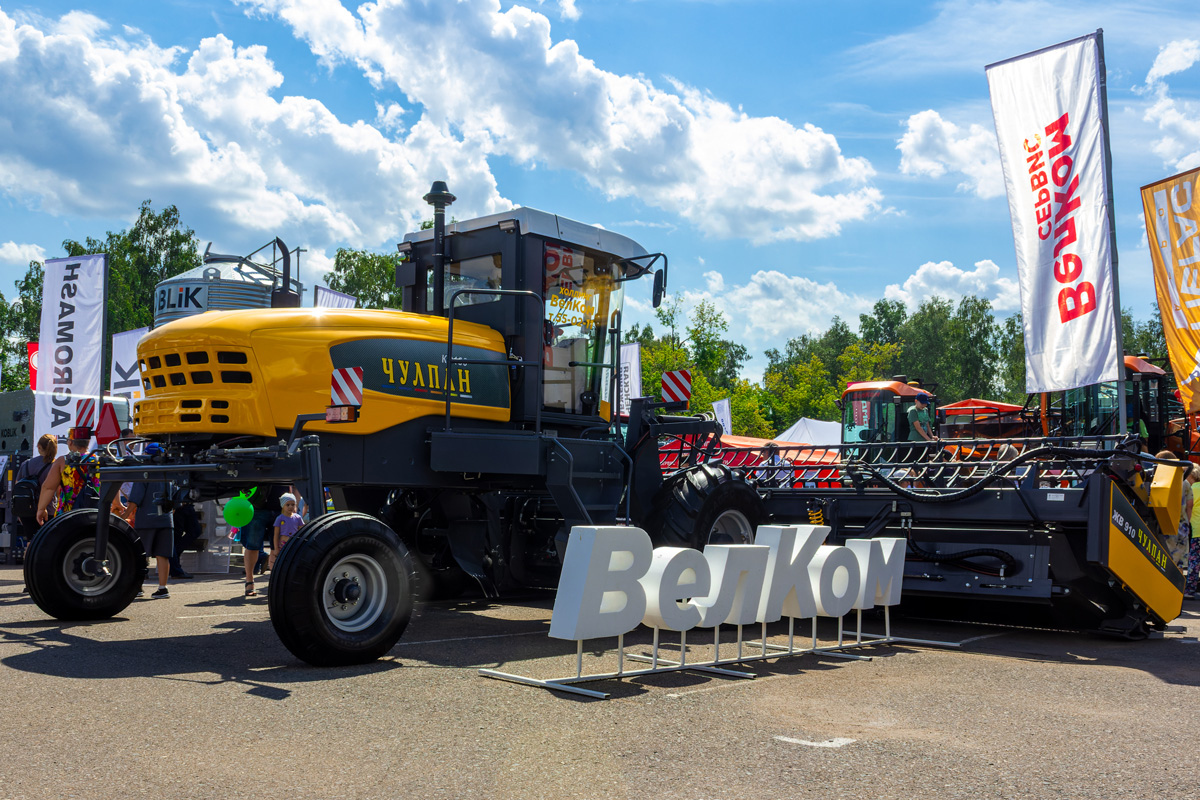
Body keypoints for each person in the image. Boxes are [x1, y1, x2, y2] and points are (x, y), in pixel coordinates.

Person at [126, 477, 174, 599]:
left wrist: (125, 514)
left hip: (146, 519)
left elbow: (136, 498)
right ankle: (163, 588)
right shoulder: (170, 473)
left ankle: (138, 587)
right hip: (166, 520)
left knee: (140, 555)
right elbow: (176, 500)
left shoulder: (144, 473)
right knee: (163, 554)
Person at [35, 434, 99, 525]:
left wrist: (41, 509)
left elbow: (48, 487)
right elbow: (110, 483)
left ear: (70, 442)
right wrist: (118, 503)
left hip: (68, 514)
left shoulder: (63, 461)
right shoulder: (99, 461)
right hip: (95, 513)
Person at [269, 492, 303, 570]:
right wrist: (276, 548)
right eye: (288, 505)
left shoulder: (298, 518)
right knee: (283, 560)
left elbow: (302, 531)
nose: (290, 507)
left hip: (294, 543)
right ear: (283, 506)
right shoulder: (279, 518)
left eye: (293, 504)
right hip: (282, 544)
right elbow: (276, 535)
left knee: (293, 560)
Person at [1189, 469, 1200, 600]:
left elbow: (1188, 506)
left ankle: (1190, 589)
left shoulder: (1193, 489)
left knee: (1194, 560)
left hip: (1197, 529)